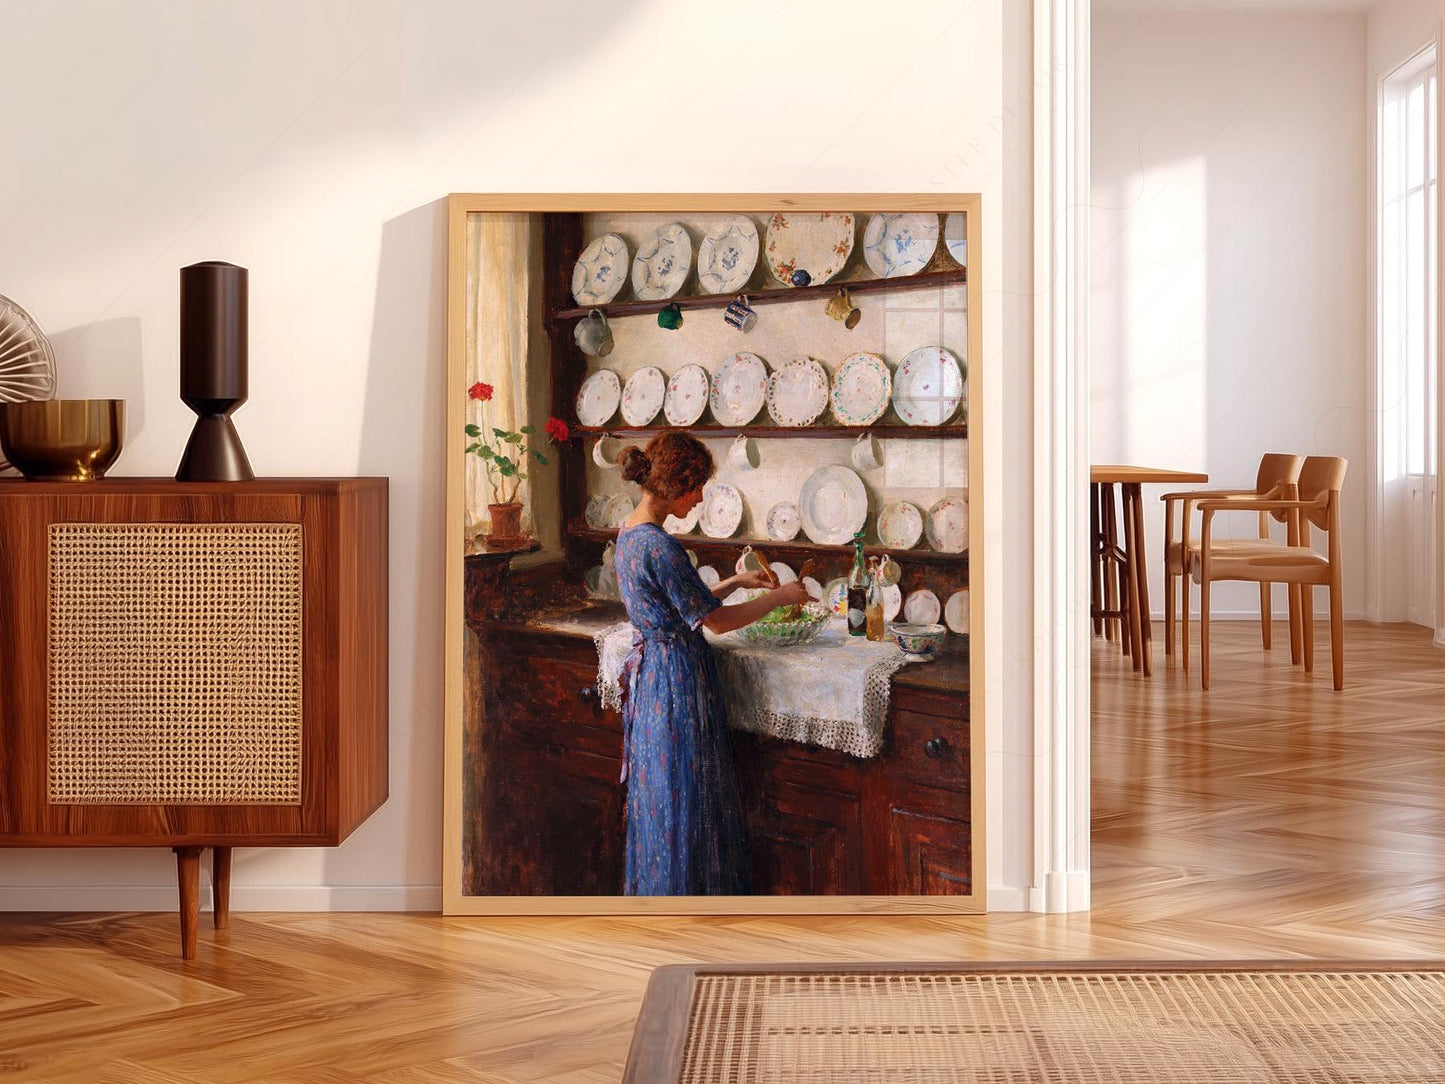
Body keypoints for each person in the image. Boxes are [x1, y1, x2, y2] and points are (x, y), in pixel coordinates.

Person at [613, 432, 810, 895]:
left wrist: (736, 580)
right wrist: (780, 595)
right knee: (689, 799)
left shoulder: (629, 532)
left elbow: (681, 605)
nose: (701, 497)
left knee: (667, 799)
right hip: (678, 683)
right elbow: (716, 623)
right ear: (673, 485)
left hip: (655, 682)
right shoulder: (660, 546)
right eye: (696, 486)